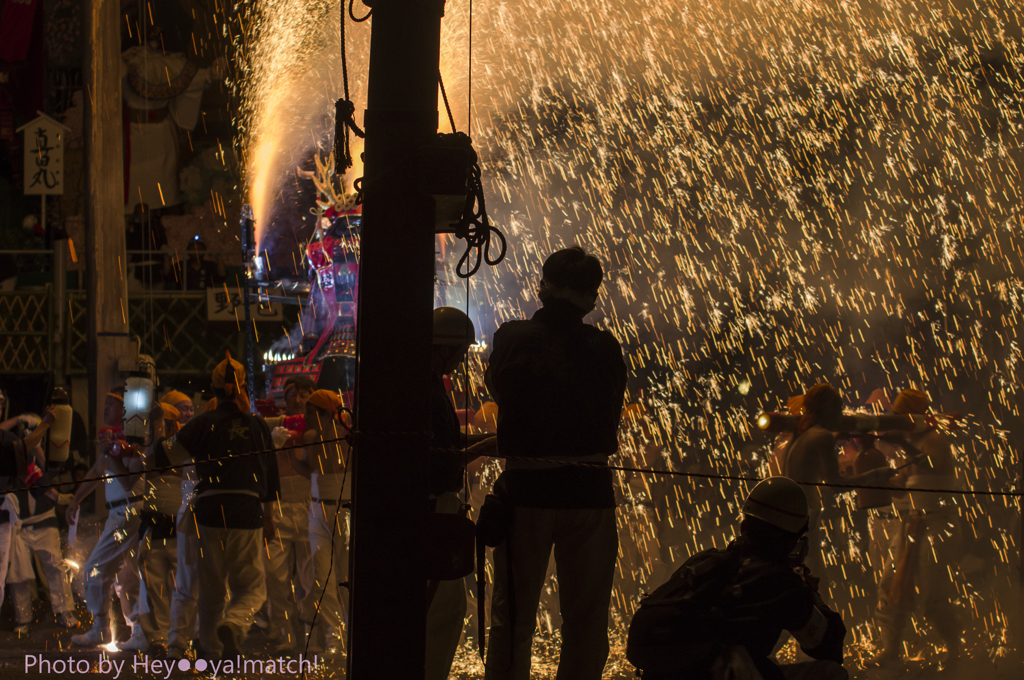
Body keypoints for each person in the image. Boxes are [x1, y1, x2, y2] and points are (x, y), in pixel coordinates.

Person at [484, 247, 627, 680]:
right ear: (591, 294)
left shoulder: (512, 337)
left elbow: (501, 393)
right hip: (590, 494)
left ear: (544, 286)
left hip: (526, 493)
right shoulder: (604, 346)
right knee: (587, 620)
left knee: (513, 619)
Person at [628, 477, 848, 680]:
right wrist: (810, 593)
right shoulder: (779, 582)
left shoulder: (706, 561)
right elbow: (828, 648)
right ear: (791, 540)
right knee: (831, 674)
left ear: (745, 525)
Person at [165, 354, 279, 660]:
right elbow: (270, 474)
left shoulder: (202, 423)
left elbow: (166, 459)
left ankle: (212, 651)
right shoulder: (257, 425)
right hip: (247, 509)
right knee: (252, 587)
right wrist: (270, 518)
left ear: (213, 389)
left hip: (209, 510)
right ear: (242, 387)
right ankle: (235, 623)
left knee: (211, 589)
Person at [424, 307, 496, 680]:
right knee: (442, 609)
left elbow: (448, 446)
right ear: (442, 350)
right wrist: (484, 446)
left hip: (433, 508)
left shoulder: (430, 385)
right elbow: (440, 459)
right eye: (459, 353)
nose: (461, 360)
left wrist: (486, 442)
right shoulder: (429, 392)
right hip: (434, 509)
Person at [869, 389, 963, 668]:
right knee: (889, 583)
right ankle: (891, 648)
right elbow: (902, 489)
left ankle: (954, 649)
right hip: (910, 522)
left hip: (937, 524)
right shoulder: (908, 447)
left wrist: (903, 446)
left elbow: (930, 467)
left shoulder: (934, 441)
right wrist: (878, 481)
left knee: (934, 590)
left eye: (900, 416)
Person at [782, 384, 895, 574]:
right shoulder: (822, 436)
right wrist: (875, 474)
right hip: (806, 512)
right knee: (811, 570)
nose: (841, 413)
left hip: (790, 512)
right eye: (838, 407)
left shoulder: (802, 434)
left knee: (798, 569)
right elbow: (837, 486)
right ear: (828, 408)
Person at [68, 388, 145, 647]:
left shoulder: (136, 440)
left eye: (111, 405)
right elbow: (95, 471)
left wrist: (110, 453)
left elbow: (126, 483)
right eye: (105, 404)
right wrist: (76, 499)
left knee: (94, 570)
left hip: (128, 511)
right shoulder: (112, 441)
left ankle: (102, 627)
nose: (105, 408)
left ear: (124, 412)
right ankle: (139, 633)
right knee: (126, 577)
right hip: (121, 512)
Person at [119, 402, 184, 653]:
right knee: (154, 586)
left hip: (178, 526)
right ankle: (158, 639)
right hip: (155, 525)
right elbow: (129, 478)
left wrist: (156, 427)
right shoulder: (148, 450)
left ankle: (178, 638)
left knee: (182, 587)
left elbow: (162, 456)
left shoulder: (181, 447)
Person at [290, 389, 350, 654]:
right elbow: (309, 469)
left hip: (346, 511)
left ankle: (348, 635)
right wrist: (292, 458)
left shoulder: (349, 436)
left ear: (326, 413)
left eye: (310, 411)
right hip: (318, 511)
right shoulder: (311, 437)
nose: (305, 415)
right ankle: (334, 637)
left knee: (345, 577)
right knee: (321, 577)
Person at [7, 443, 80, 634]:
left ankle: (65, 612)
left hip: (45, 521)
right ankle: (23, 618)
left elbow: (48, 477)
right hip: (19, 525)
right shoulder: (10, 466)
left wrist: (37, 448)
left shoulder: (42, 461)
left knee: (55, 566)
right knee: (18, 574)